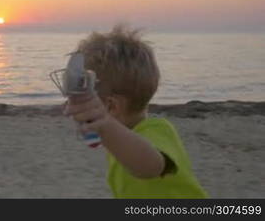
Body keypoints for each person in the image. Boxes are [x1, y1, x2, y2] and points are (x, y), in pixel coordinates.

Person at [64, 24, 208, 198]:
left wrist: (105, 124)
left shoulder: (157, 131)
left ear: (111, 107)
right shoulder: (118, 139)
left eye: (83, 98)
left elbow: (149, 167)